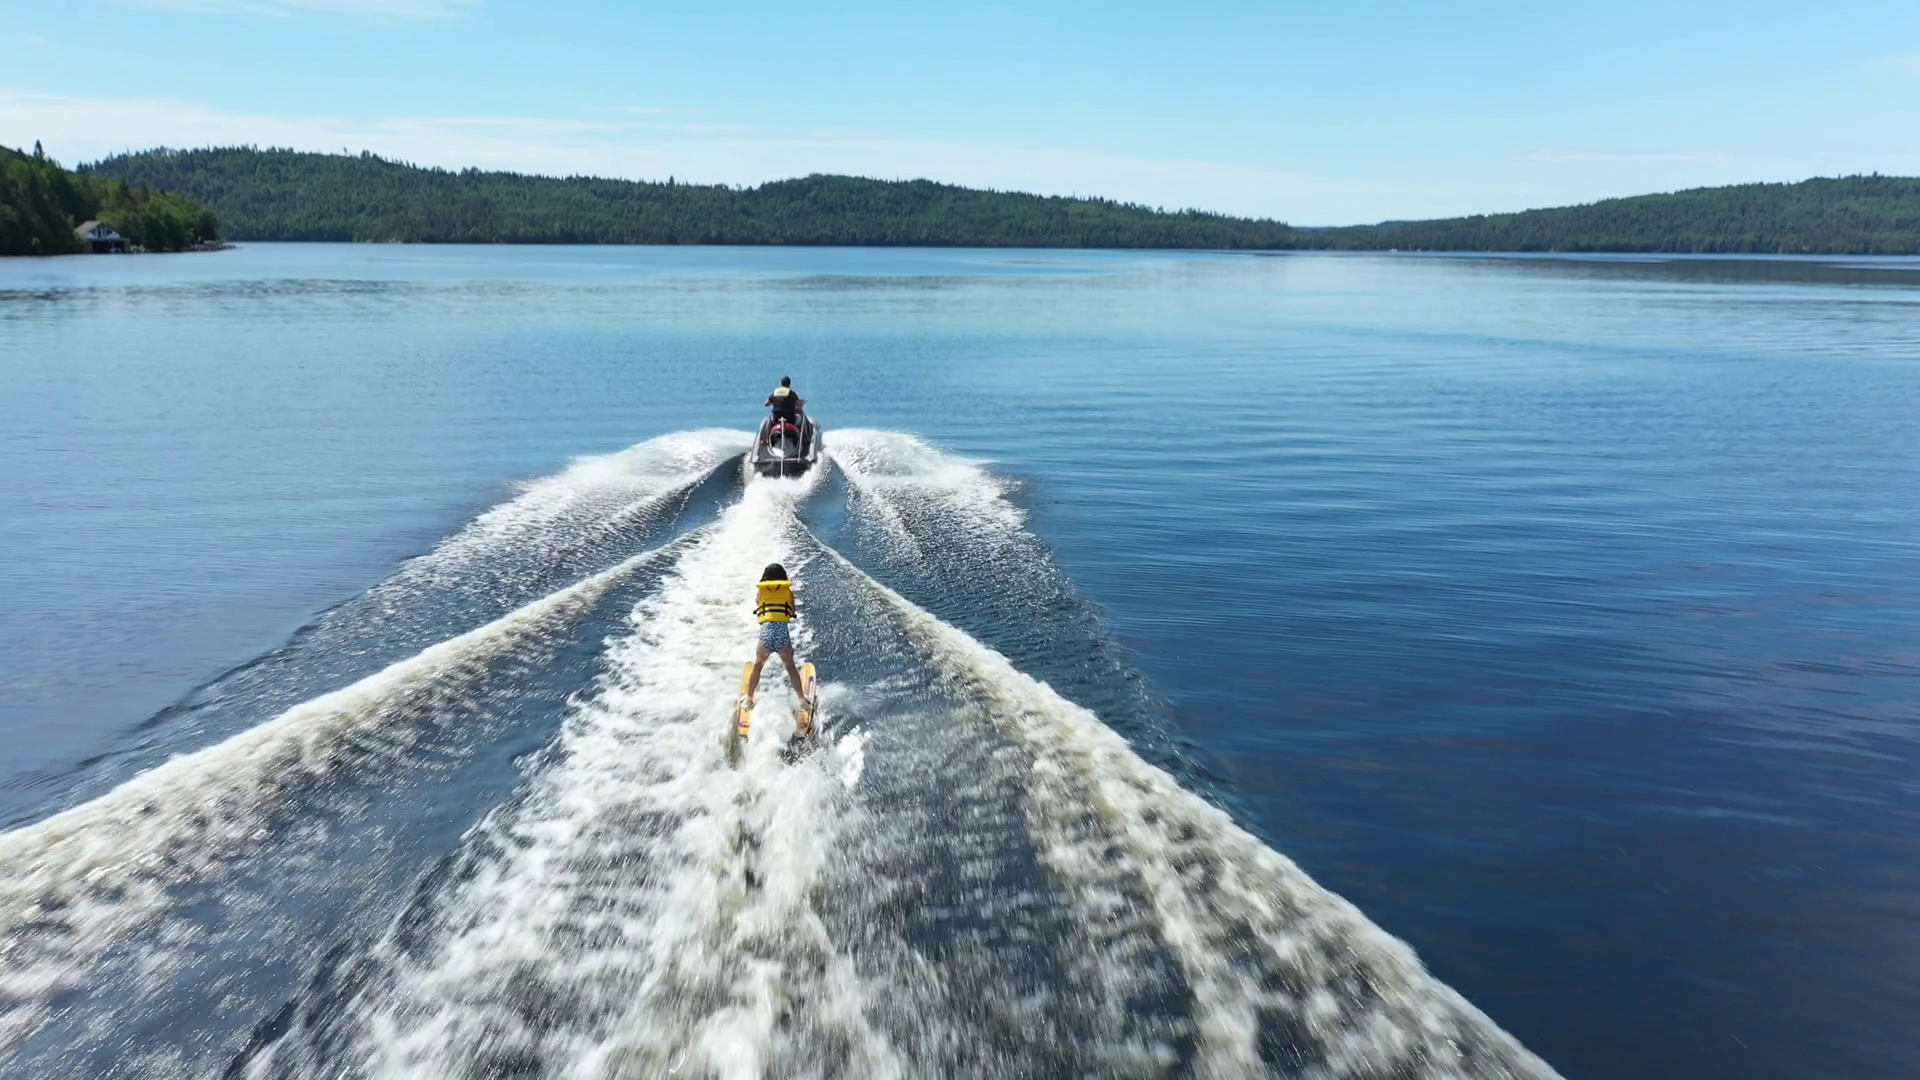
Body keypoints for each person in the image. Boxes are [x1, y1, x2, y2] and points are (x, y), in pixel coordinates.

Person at [746, 563, 812, 732]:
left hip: (766, 634)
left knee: (758, 665)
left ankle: (748, 699)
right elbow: (791, 611)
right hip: (782, 635)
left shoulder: (761, 591)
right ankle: (802, 700)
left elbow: (758, 603)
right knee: (790, 666)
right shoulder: (788, 592)